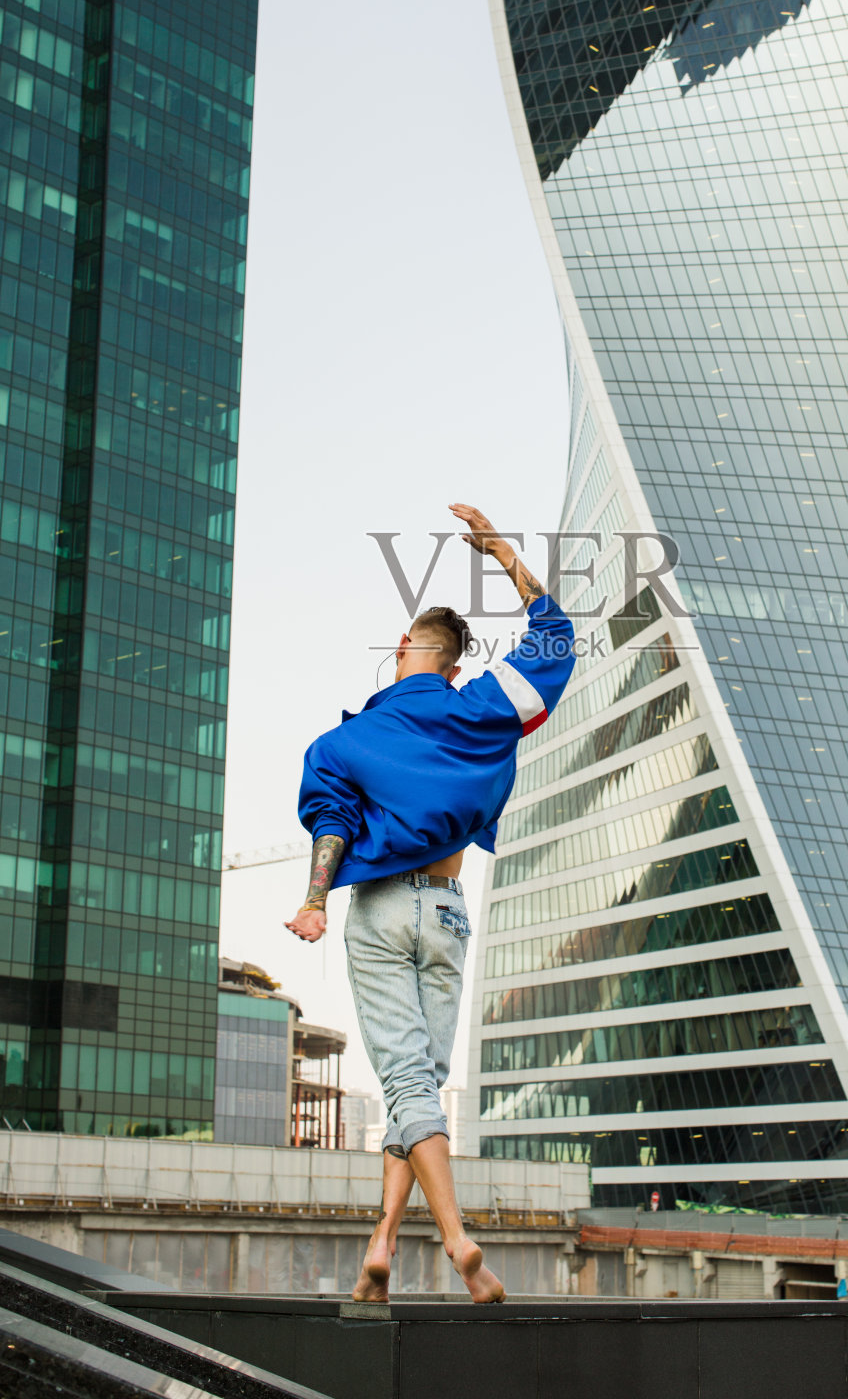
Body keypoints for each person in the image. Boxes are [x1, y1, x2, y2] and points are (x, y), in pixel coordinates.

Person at [285, 503, 574, 1304]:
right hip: (447, 911)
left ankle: (455, 1239)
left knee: (408, 1082)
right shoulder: (481, 709)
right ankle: (379, 1245)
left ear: (407, 651)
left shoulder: (342, 744)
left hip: (381, 912)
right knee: (416, 1083)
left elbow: (332, 823)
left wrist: (314, 901)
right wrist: (502, 553)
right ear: (452, 664)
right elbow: (554, 636)